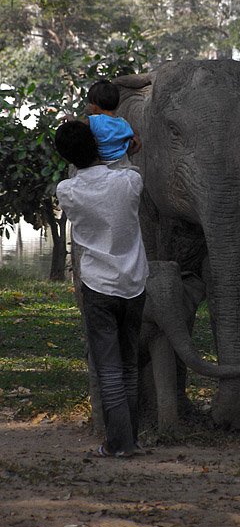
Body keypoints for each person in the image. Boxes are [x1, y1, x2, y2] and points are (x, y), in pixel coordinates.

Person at [55, 120, 149, 458]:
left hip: (97, 286)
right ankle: (131, 440)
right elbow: (122, 167)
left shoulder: (67, 191)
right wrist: (123, 145)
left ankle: (118, 444)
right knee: (128, 365)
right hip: (134, 284)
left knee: (108, 369)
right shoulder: (130, 180)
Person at [63, 79, 141, 168]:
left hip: (103, 164)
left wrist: (70, 117)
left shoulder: (95, 120)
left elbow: (76, 126)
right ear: (118, 105)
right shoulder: (123, 122)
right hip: (122, 163)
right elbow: (136, 135)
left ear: (94, 107)